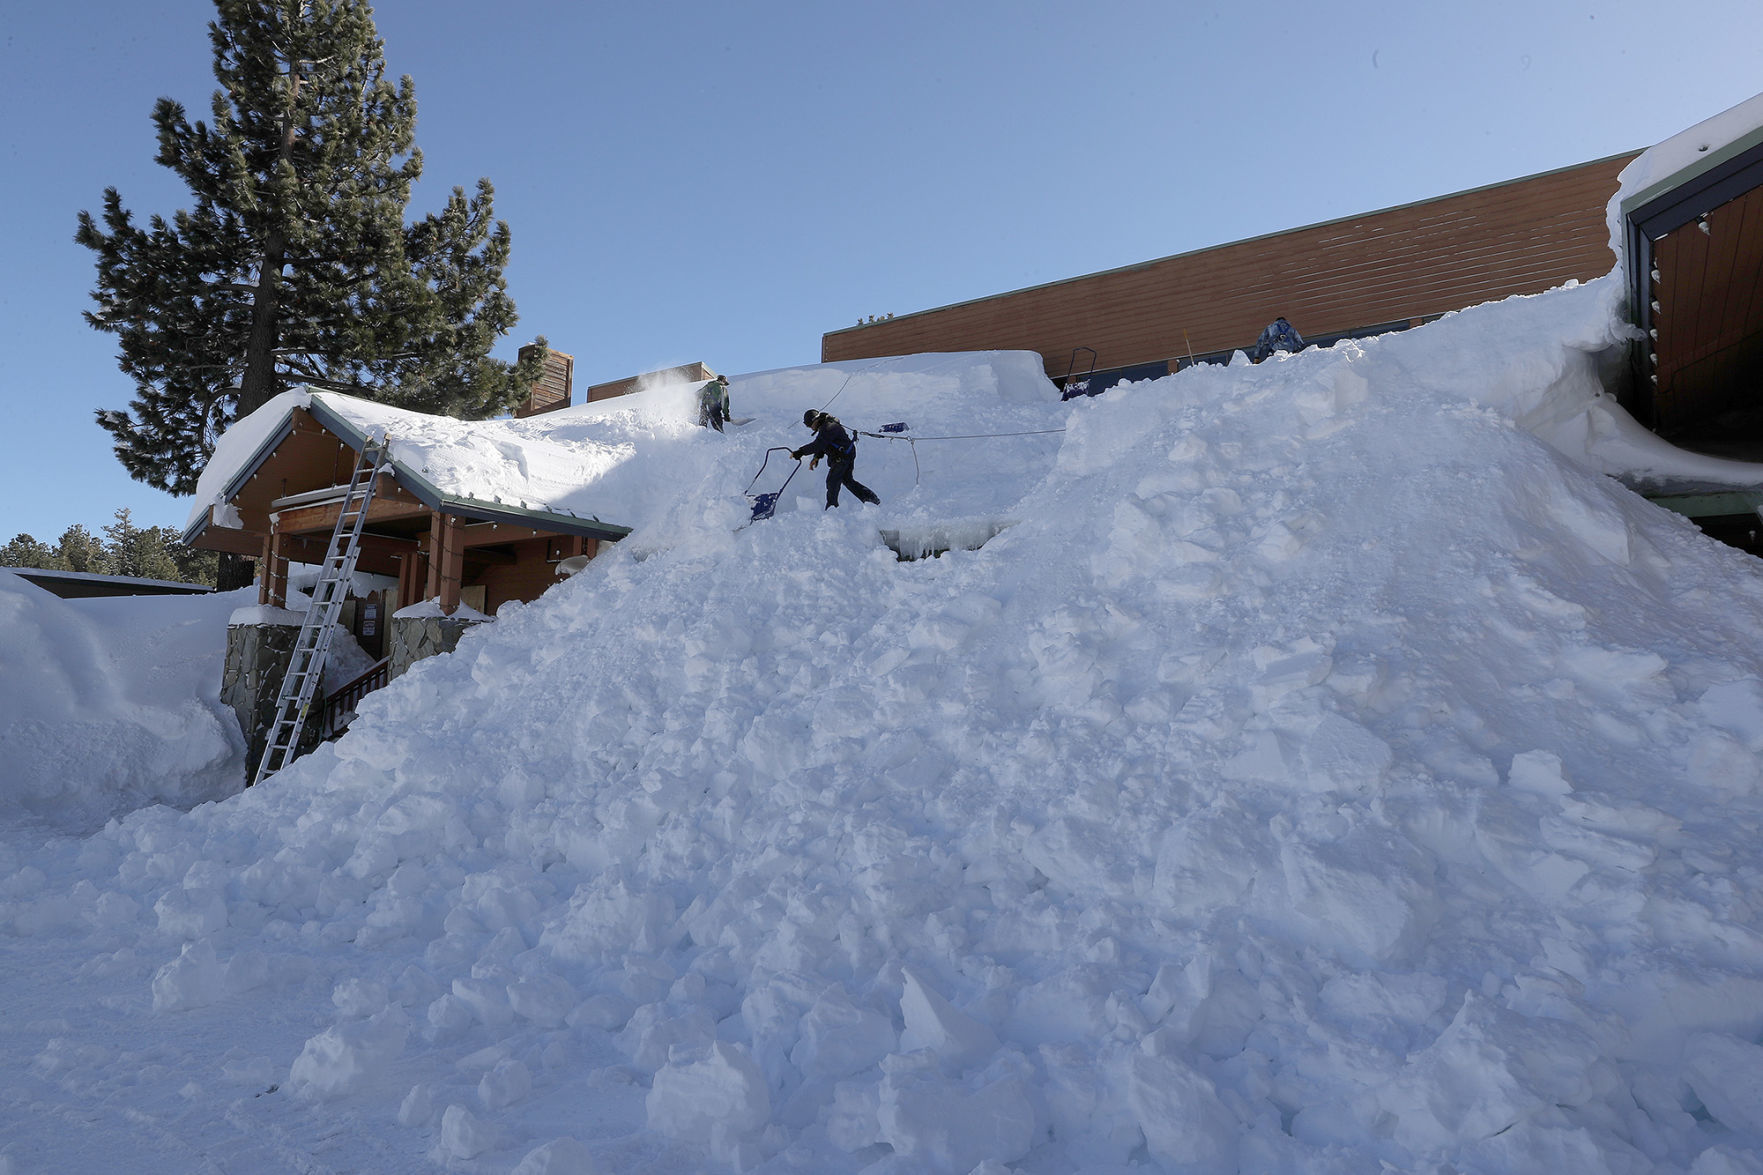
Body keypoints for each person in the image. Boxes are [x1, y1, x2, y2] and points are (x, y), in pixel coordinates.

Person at [792, 409, 880, 509]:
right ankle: (871, 499)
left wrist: (801, 452)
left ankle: (831, 507)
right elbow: (824, 444)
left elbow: (818, 444)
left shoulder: (829, 427)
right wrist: (817, 457)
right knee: (847, 481)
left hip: (842, 456)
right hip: (845, 454)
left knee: (832, 481)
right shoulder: (824, 426)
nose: (809, 427)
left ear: (815, 421)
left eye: (809, 425)